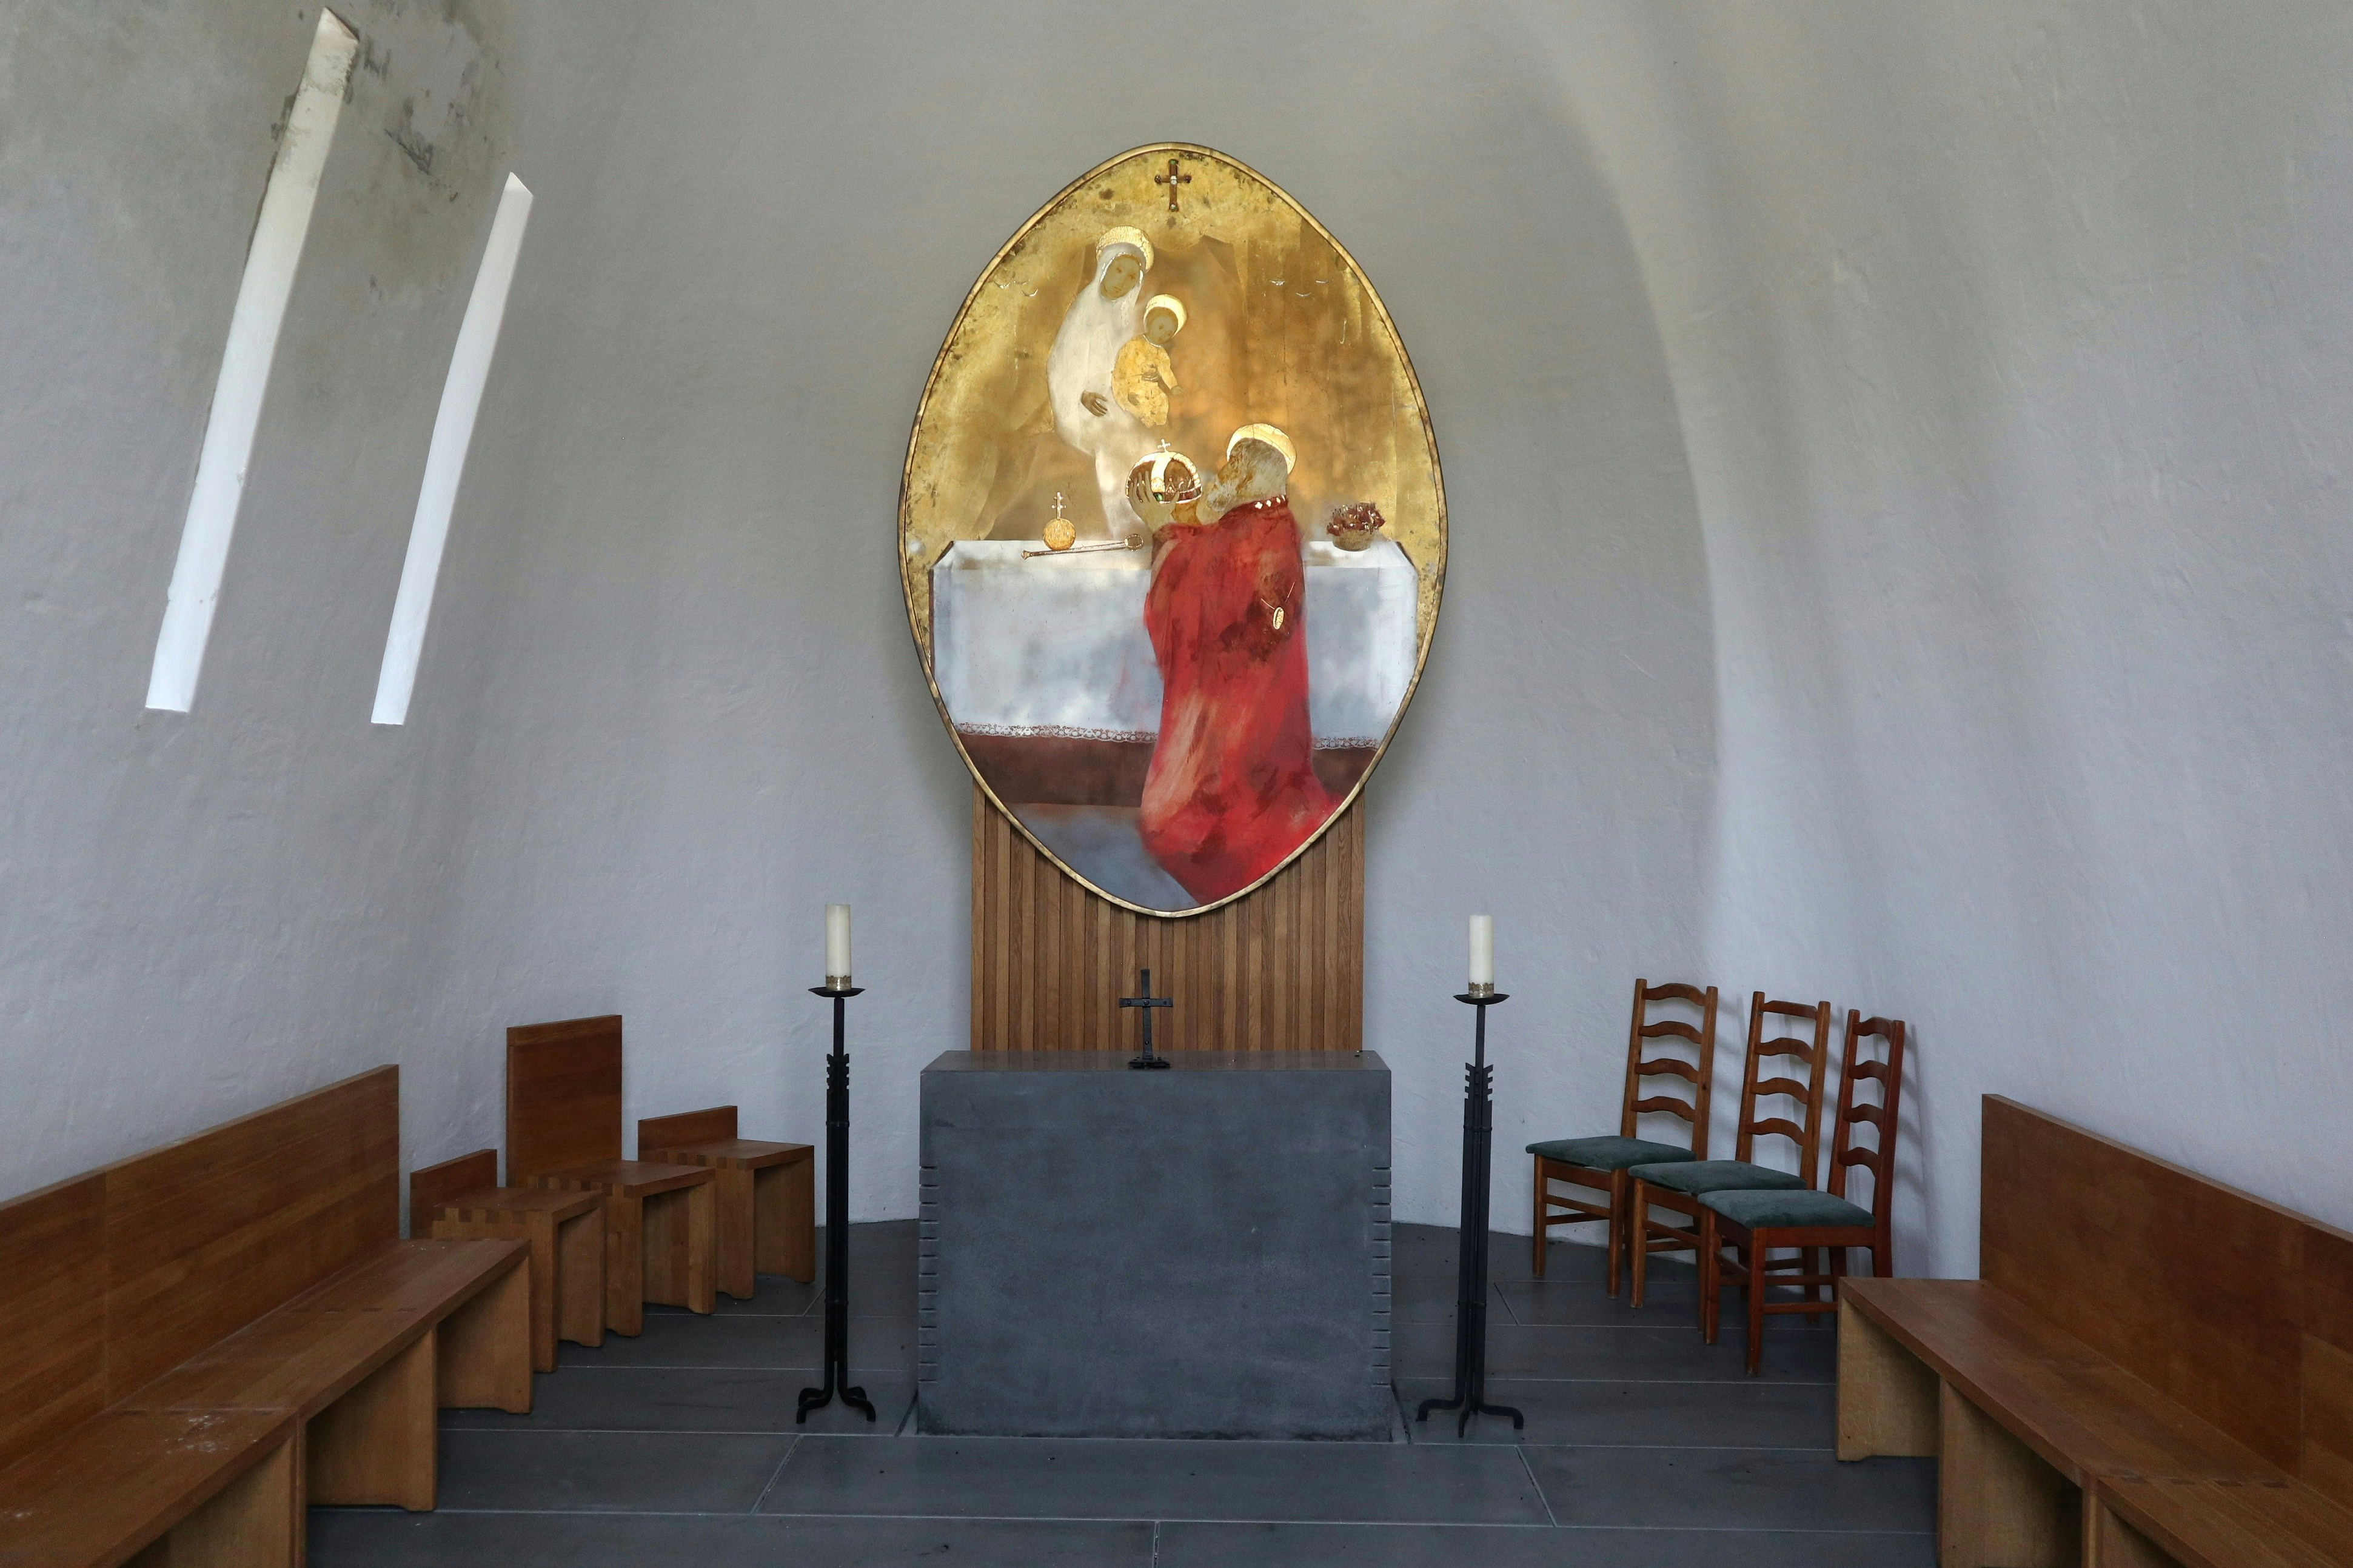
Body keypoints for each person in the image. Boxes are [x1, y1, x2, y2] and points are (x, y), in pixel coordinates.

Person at [1138, 426, 1334, 903]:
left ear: (1248, 474)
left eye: (1231, 466)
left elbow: (1201, 579)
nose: (1221, 473)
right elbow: (1211, 555)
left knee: (1202, 813)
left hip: (1241, 695)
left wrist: (1161, 529)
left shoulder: (1255, 533)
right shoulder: (1267, 520)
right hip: (1250, 685)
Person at [1045, 228, 1159, 539]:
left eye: (1131, 278)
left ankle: (1156, 521)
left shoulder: (1125, 319)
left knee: (1146, 445)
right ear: (1106, 267)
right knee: (1113, 447)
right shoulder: (1083, 311)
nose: (1122, 281)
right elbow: (1059, 366)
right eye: (1119, 270)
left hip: (1115, 403)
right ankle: (1125, 528)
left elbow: (1126, 364)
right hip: (1082, 408)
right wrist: (1081, 395)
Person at [1113, 295, 1185, 428]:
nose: (1162, 335)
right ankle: (1143, 427)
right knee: (1138, 406)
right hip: (1131, 387)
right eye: (1161, 327)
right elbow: (1121, 371)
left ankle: (1160, 427)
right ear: (1150, 322)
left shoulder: (1161, 353)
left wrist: (1173, 387)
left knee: (1162, 400)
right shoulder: (1133, 345)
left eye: (1168, 334)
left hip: (1150, 389)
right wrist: (1126, 392)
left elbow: (1166, 371)